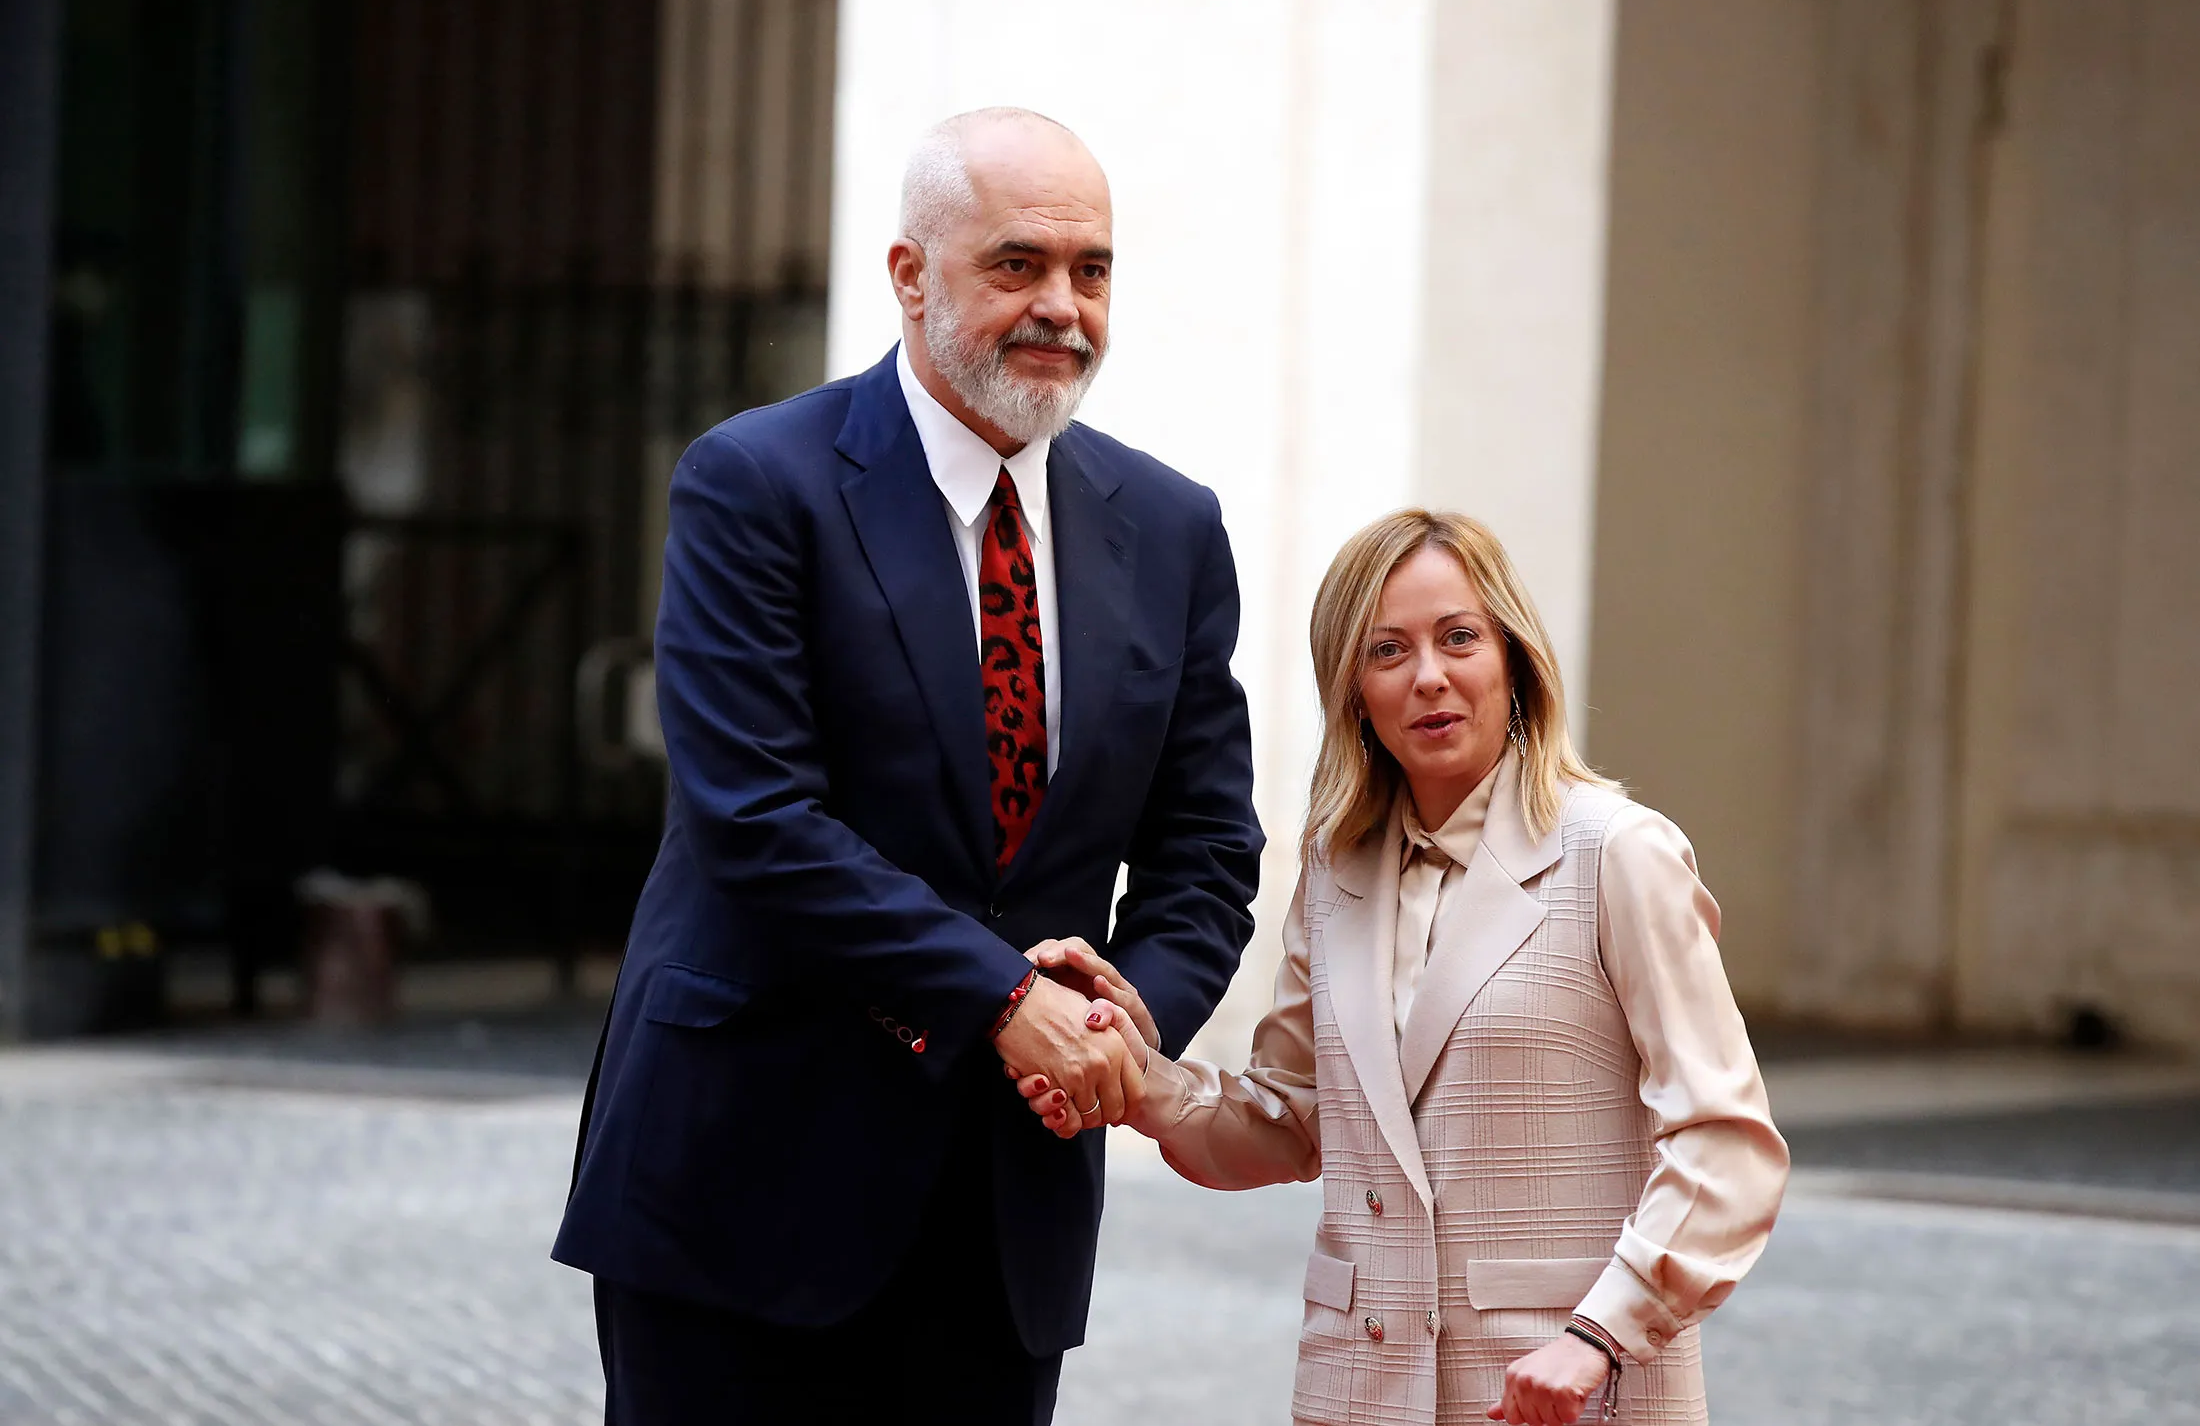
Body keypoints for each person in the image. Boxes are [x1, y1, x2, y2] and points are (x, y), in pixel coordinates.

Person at [553, 107, 1264, 1425]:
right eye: (1017, 264)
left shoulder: (1170, 527)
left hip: (1007, 1211)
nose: (1062, 307)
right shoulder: (755, 481)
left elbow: (1207, 847)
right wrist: (1005, 998)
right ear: (909, 275)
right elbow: (755, 818)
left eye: (1091, 270)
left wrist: (1119, 1027)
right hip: (744, 1178)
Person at [1018, 510, 1788, 1425]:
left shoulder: (1618, 852)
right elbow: (1291, 1120)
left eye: (1459, 637)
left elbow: (1725, 1142)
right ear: (1354, 690)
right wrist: (1131, 1069)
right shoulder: (1336, 869)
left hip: (1571, 1388)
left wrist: (1600, 1333)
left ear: (1512, 659)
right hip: (1359, 1392)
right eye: (1388, 650)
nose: (1429, 675)